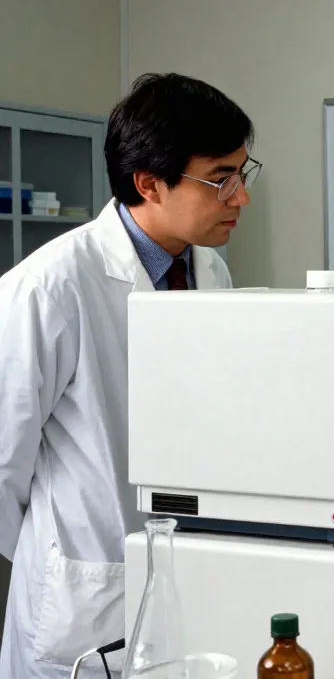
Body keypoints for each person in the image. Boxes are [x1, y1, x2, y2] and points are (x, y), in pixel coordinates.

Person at [0, 73, 255, 677]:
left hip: (193, 585)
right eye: (221, 179)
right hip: (86, 606)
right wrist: (62, 561)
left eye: (244, 174)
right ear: (149, 183)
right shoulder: (49, 287)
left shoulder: (211, 271)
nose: (241, 197)